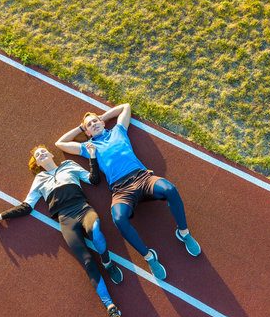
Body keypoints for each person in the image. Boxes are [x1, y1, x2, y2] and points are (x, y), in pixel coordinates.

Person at [55, 103, 201, 280]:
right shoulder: (89, 147)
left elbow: (125, 107)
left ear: (102, 122)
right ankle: (149, 257)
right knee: (118, 218)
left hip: (142, 178)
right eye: (89, 125)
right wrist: (80, 127)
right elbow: (60, 143)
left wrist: (103, 117)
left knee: (170, 189)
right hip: (121, 190)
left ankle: (183, 233)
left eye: (95, 121)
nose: (93, 124)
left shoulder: (118, 131)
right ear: (87, 133)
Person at [0, 144, 124, 317]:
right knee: (87, 262)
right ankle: (111, 308)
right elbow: (27, 206)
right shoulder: (39, 180)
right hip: (65, 220)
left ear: (51, 154)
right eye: (37, 155)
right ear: (37, 163)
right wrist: (2, 215)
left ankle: (107, 262)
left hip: (83, 209)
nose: (41, 154)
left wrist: (92, 156)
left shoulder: (69, 165)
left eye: (43, 151)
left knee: (96, 229)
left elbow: (93, 180)